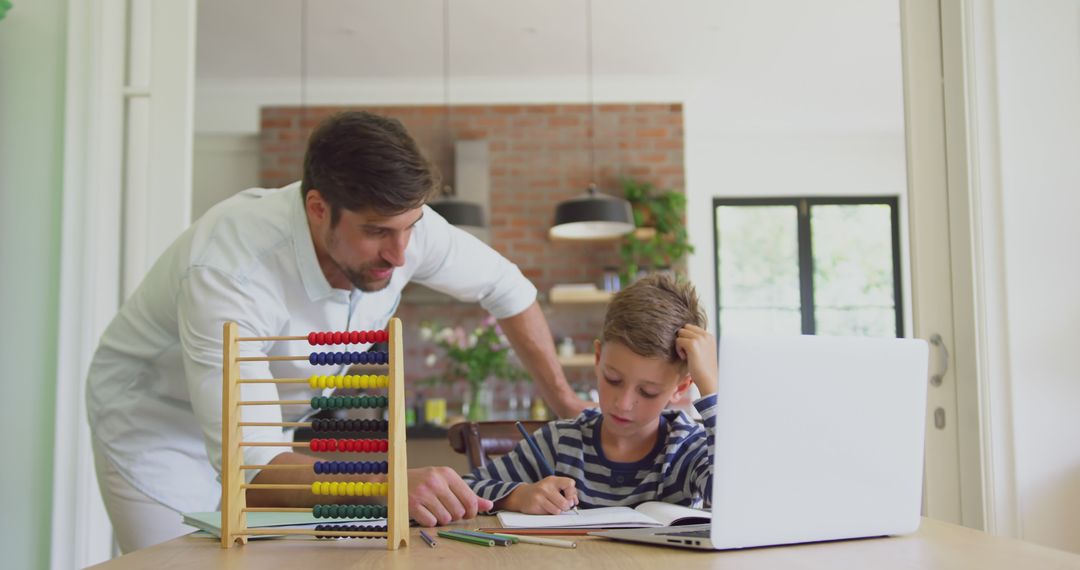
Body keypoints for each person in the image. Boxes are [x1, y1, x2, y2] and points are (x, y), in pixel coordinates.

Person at [86, 111, 588, 552]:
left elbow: (509, 288)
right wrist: (390, 485)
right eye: (375, 233)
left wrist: (567, 404)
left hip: (265, 432)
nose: (399, 254)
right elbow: (254, 473)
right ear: (318, 208)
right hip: (157, 425)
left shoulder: (404, 227)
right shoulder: (230, 273)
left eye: (409, 228)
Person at [464, 273, 717, 513]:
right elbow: (466, 488)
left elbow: (737, 501)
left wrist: (711, 387)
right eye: (613, 379)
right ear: (598, 358)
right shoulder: (560, 442)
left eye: (648, 392)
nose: (624, 403)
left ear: (681, 387)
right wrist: (518, 496)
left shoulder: (686, 447)